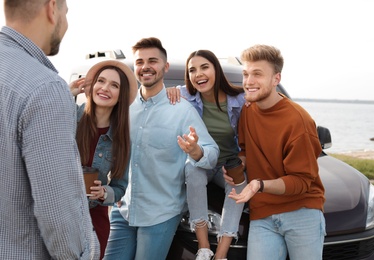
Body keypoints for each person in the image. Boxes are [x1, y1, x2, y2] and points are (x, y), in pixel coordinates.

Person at [0, 0, 99, 259]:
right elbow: (58, 213)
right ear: (52, 8)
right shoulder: (44, 88)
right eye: (66, 13)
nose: (66, 24)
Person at [104, 37, 219, 260]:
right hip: (123, 209)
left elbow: (211, 152)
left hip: (161, 214)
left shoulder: (182, 110)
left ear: (165, 67)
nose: (145, 66)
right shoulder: (123, 108)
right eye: (140, 62)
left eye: (153, 61)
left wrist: (196, 152)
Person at [227, 44, 326, 260]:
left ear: (276, 79)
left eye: (257, 74)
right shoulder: (247, 109)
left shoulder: (298, 122)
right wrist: (240, 165)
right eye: (246, 74)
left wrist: (259, 184)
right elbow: (244, 149)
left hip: (302, 211)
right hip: (262, 214)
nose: (249, 81)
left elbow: (301, 182)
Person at [166, 49, 247, 260]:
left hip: (228, 164)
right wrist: (169, 91)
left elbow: (266, 103)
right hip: (201, 160)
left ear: (215, 70)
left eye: (204, 67)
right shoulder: (184, 95)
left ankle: (221, 253)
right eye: (192, 70)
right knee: (192, 169)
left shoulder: (239, 99)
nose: (198, 74)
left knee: (239, 183)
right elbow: (157, 97)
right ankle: (204, 247)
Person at [70, 59, 138, 259]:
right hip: (63, 214)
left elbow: (120, 187)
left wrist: (103, 192)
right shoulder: (70, 117)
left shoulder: (121, 139)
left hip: (95, 220)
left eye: (114, 85)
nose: (105, 88)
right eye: (101, 81)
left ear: (120, 95)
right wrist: (68, 92)